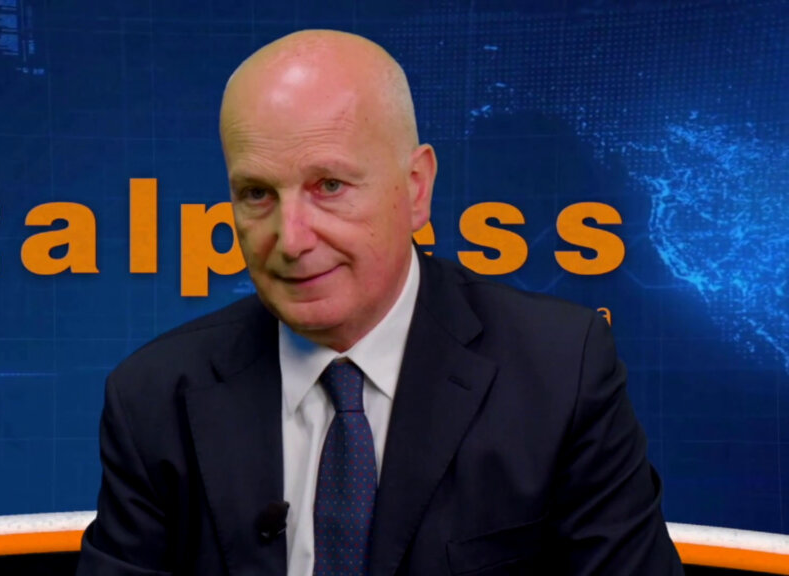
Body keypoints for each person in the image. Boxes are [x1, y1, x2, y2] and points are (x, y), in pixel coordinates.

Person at [76, 29, 683, 575]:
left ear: (415, 189)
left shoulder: (561, 371)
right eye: (257, 194)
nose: (291, 239)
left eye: (329, 186)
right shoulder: (154, 397)